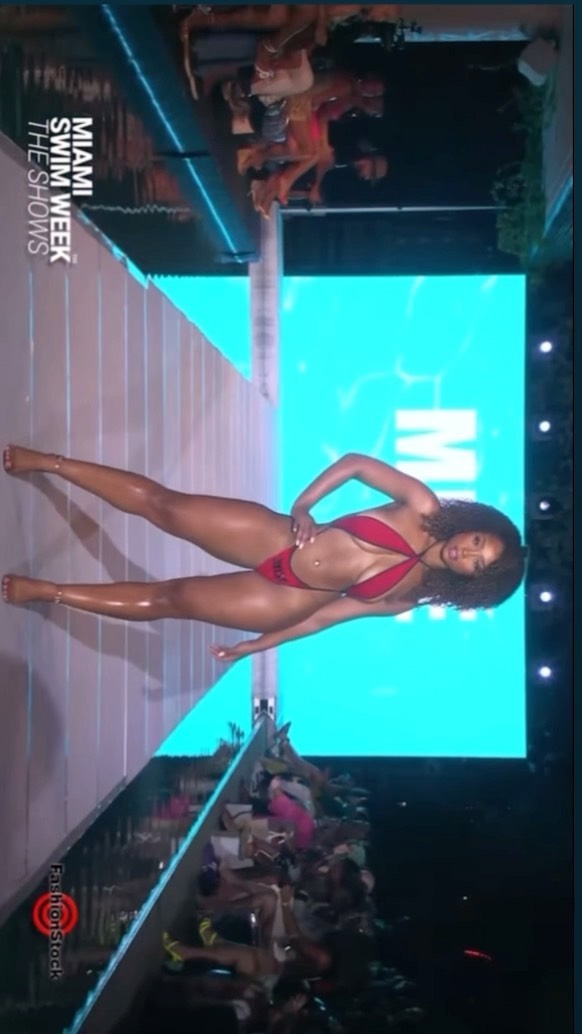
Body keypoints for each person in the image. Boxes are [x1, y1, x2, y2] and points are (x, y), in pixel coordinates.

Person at [3, 446, 526, 659]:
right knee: (166, 506)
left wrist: (257, 646)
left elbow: (322, 619)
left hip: (285, 599)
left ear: (471, 583)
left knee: (172, 599)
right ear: (475, 526)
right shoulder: (422, 505)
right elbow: (355, 463)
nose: (466, 553)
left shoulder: (407, 598)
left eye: (477, 564)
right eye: (478, 542)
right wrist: (304, 505)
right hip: (282, 536)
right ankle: (50, 463)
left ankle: (49, 591)